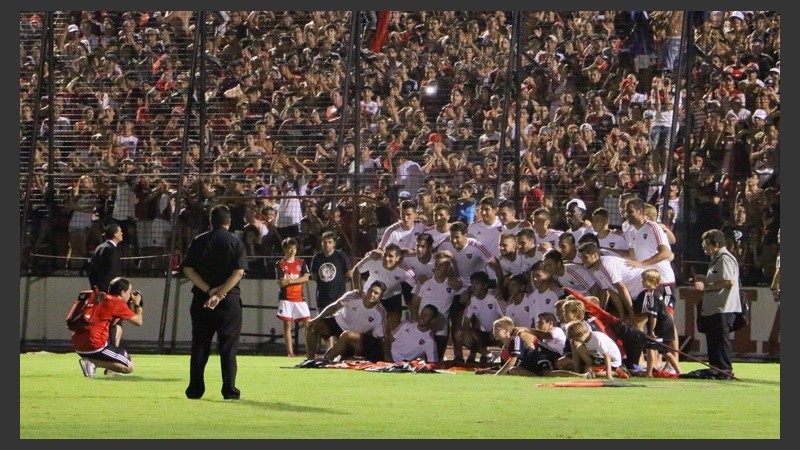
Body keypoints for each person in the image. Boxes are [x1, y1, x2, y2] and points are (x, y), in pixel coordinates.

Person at [181, 205, 247, 400]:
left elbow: (188, 270)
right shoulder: (235, 242)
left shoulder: (199, 241)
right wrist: (220, 294)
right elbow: (238, 272)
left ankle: (195, 389)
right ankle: (229, 390)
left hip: (201, 299)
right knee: (228, 348)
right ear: (229, 222)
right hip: (229, 301)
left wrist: (208, 291)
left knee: (200, 345)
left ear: (211, 221)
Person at [693, 229, 741, 380]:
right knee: (714, 340)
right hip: (715, 308)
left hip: (723, 307)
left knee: (721, 340)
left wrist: (705, 287)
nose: (703, 246)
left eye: (706, 244)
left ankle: (725, 370)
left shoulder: (724, 258)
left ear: (717, 244)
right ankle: (716, 369)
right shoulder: (716, 258)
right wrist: (704, 278)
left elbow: (728, 282)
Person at [303, 280, 389, 363]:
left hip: (353, 336)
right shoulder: (354, 295)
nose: (372, 294)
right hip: (338, 323)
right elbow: (334, 307)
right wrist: (317, 319)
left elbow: (379, 338)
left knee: (346, 336)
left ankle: (325, 360)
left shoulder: (381, 313)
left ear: (380, 297)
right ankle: (310, 359)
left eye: (376, 293)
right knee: (312, 325)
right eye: (371, 290)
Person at [73, 277, 143, 377]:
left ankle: (110, 369)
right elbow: (138, 322)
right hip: (94, 346)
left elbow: (112, 324)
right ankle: (92, 363)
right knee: (129, 367)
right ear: (123, 292)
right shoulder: (117, 303)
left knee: (118, 329)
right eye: (129, 292)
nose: (130, 295)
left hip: (78, 344)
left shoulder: (102, 298)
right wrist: (137, 305)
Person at [633, 269, 681, 377]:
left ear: (653, 282)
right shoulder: (647, 294)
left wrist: (652, 331)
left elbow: (654, 315)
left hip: (662, 326)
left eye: (644, 280)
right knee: (665, 350)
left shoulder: (654, 295)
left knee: (651, 346)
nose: (642, 282)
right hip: (663, 325)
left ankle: (649, 372)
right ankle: (679, 371)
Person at [309, 231, 353, 349]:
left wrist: (339, 283)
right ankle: (329, 351)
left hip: (338, 298)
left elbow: (350, 274)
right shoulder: (317, 258)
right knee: (324, 329)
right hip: (322, 298)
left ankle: (340, 351)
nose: (327, 245)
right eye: (325, 242)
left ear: (334, 244)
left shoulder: (340, 256)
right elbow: (314, 276)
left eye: (329, 242)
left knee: (339, 326)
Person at [275, 237, 311, 357]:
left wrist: (289, 281)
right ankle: (290, 352)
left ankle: (309, 351)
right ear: (285, 249)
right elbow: (281, 282)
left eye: (295, 248)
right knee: (287, 325)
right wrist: (294, 280)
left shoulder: (301, 263)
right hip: (286, 298)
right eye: (290, 248)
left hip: (299, 298)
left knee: (308, 324)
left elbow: (306, 278)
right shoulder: (280, 264)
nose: (293, 250)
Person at [87, 223, 123, 292]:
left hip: (98, 288)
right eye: (120, 231)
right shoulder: (111, 249)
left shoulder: (100, 247)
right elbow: (112, 271)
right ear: (115, 234)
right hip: (108, 291)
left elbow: (92, 269)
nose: (122, 233)